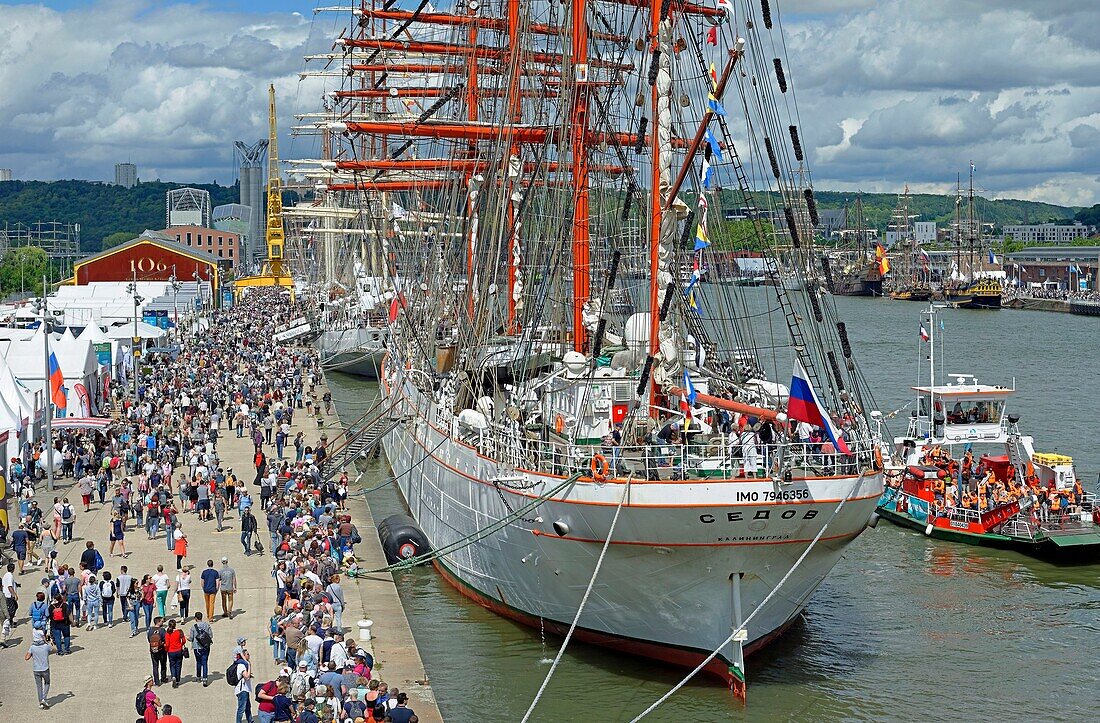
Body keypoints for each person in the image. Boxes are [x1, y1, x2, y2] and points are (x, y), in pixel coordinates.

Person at [26, 629, 55, 709]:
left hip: (36, 670)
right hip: (45, 669)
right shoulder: (46, 646)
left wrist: (32, 653)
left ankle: (41, 702)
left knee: (38, 686)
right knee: (47, 683)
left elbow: (26, 657)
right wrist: (49, 643)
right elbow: (54, 650)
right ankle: (44, 698)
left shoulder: (32, 647)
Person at [190, 611, 214, 686]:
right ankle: (205, 679)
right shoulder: (207, 625)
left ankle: (198, 677)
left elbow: (191, 638)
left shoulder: (193, 627)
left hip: (196, 647)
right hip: (205, 647)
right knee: (205, 662)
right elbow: (211, 635)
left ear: (195, 618)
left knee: (198, 662)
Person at [233, 647, 254, 723]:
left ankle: (250, 720)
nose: (249, 655)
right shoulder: (241, 665)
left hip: (245, 689)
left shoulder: (242, 664)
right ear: (243, 656)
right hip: (242, 690)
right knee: (241, 708)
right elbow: (247, 677)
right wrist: (249, 665)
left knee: (248, 707)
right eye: (247, 654)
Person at [165, 618, 187, 687]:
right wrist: (181, 645)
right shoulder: (179, 632)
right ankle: (177, 680)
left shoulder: (167, 633)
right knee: (178, 665)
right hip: (179, 650)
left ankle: (173, 676)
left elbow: (167, 644)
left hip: (171, 651)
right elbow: (184, 640)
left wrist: (166, 649)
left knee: (172, 665)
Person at [148, 616, 168, 686]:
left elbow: (149, 640)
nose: (163, 622)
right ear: (158, 622)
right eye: (162, 621)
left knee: (155, 666)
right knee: (163, 664)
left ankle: (157, 681)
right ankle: (163, 678)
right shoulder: (162, 630)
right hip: (161, 650)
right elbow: (165, 640)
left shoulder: (150, 630)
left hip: (153, 650)